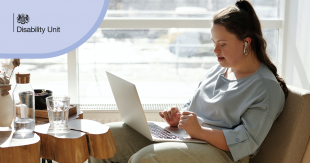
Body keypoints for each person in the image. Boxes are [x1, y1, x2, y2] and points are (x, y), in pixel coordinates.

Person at [89, 0, 288, 162]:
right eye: (213, 42)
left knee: (146, 159)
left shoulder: (266, 88)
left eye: (222, 44)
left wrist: (200, 131)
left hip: (223, 154)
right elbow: (193, 109)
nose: (215, 50)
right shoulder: (218, 70)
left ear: (246, 42)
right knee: (106, 137)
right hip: (190, 138)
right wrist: (178, 119)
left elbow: (246, 142)